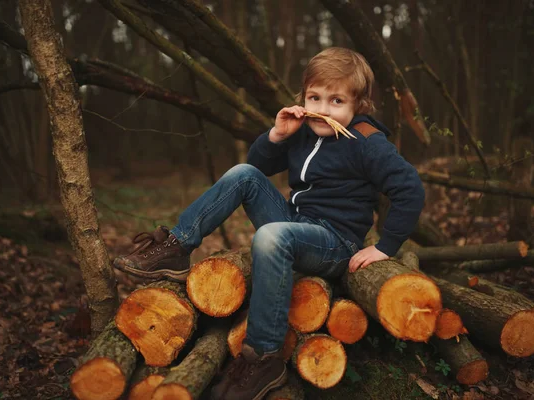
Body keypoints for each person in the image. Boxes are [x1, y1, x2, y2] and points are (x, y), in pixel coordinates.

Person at [113, 47, 425, 400]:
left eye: (336, 100)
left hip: (334, 241)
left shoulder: (367, 142)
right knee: (244, 174)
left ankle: (263, 356)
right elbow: (260, 165)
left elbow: (410, 190)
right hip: (295, 222)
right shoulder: (306, 131)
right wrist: (277, 135)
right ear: (303, 97)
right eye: (315, 97)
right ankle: (176, 246)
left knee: (271, 236)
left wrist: (385, 246)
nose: (322, 109)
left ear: (359, 105)